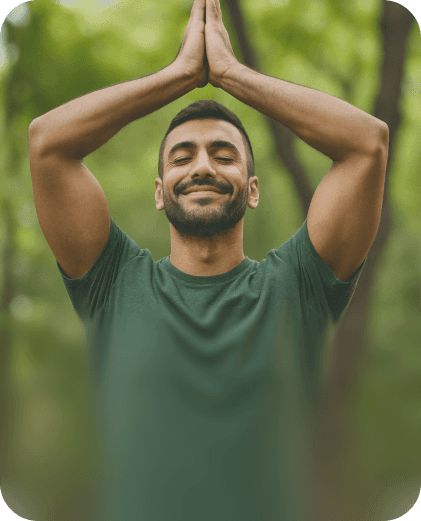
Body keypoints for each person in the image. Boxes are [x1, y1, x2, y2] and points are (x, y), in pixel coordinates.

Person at [28, 0, 389, 519]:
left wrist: (231, 75)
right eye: (182, 157)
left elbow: (367, 144)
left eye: (223, 155)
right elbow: (47, 143)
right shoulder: (113, 282)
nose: (202, 167)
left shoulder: (298, 286)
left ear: (254, 188)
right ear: (160, 192)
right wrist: (179, 75)